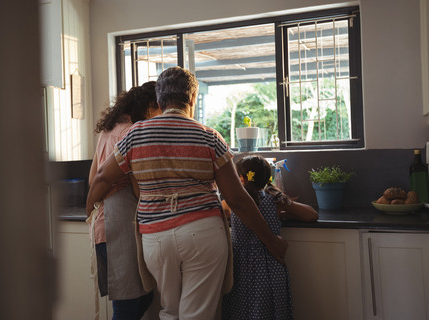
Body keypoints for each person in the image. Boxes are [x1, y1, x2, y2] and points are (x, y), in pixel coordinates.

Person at [87, 66, 288, 320]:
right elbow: (236, 199)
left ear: (159, 100)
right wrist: (271, 241)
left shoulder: (135, 135)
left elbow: (103, 177)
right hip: (202, 234)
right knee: (198, 314)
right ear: (192, 99)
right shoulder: (209, 137)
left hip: (155, 238)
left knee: (169, 311)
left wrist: (89, 210)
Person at [87, 81, 161, 320]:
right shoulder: (131, 132)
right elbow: (140, 188)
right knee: (129, 303)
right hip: (119, 223)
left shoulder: (110, 129)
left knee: (141, 295)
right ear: (150, 107)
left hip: (105, 223)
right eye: (159, 110)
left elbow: (92, 178)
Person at [221, 155, 319, 320]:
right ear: (268, 178)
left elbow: (222, 212)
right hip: (270, 268)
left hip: (240, 269)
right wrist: (284, 208)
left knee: (241, 312)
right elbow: (311, 215)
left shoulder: (234, 202)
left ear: (241, 179)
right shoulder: (274, 200)